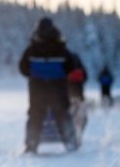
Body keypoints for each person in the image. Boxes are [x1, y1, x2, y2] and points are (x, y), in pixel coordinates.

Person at [18, 18, 80, 153]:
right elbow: (71, 66)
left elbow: (22, 68)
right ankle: (70, 142)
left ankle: (31, 144)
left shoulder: (32, 48)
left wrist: (35, 75)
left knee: (35, 115)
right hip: (58, 87)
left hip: (37, 87)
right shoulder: (60, 46)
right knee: (63, 114)